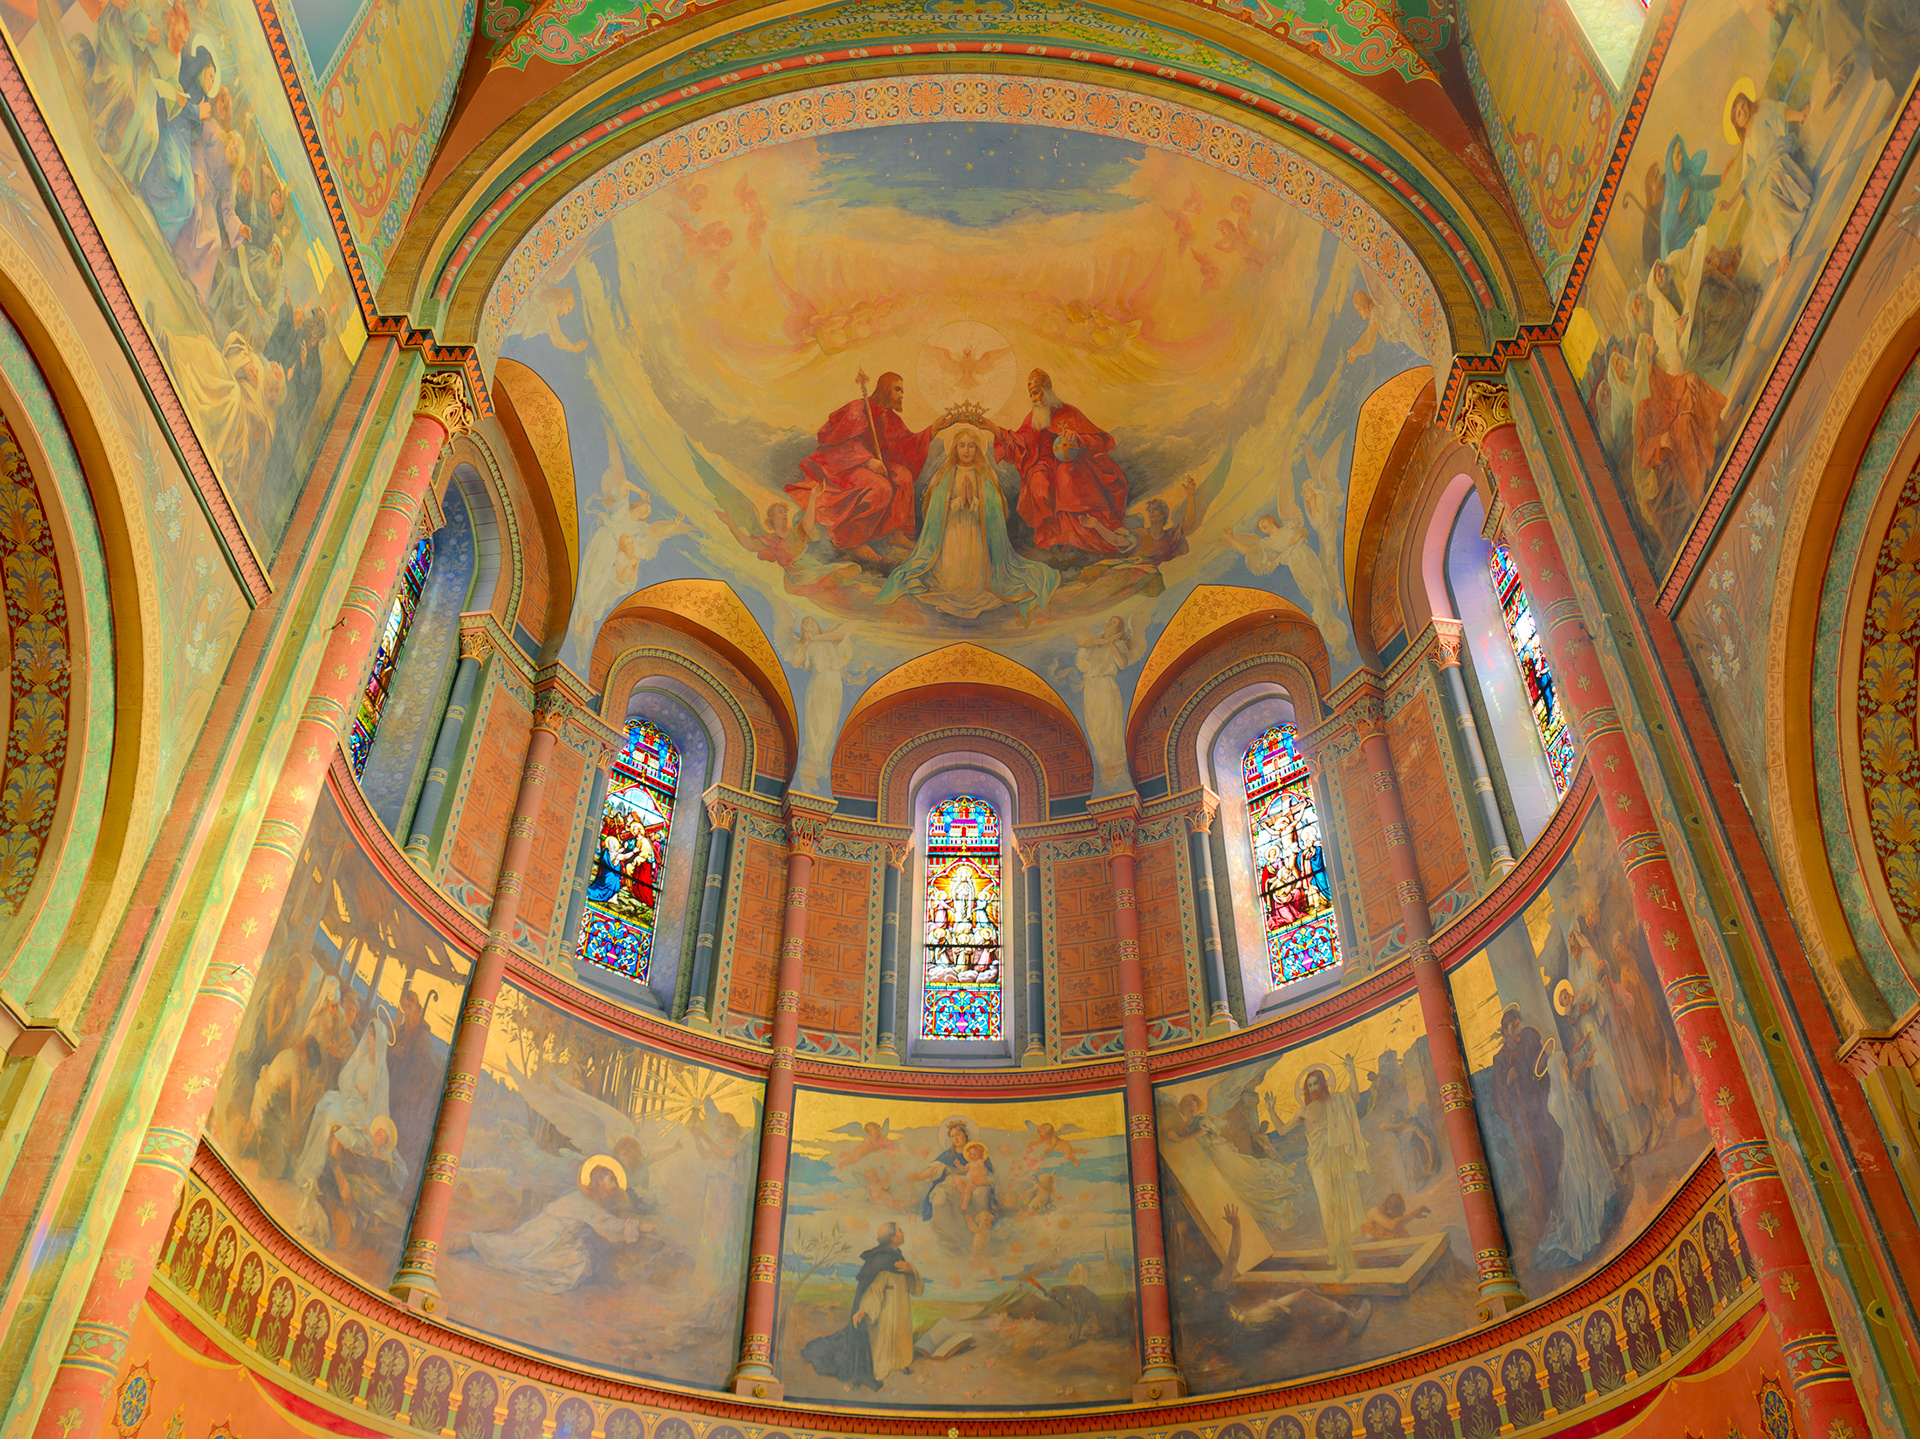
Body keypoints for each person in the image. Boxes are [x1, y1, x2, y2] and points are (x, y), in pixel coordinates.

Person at [875, 427, 1056, 620]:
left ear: (978, 448)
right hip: (952, 532)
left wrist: (974, 503)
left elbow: (994, 510)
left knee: (976, 580)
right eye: (962, 445)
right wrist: (958, 503)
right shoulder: (944, 473)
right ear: (955, 448)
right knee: (950, 578)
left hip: (977, 532)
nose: (967, 450)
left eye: (971, 445)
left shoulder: (985, 474)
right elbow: (935, 508)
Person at [787, 371, 940, 562]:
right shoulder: (859, 409)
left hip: (873, 463)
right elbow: (839, 443)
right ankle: (853, 540)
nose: (902, 395)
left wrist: (934, 430)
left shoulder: (890, 417)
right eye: (897, 389)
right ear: (885, 389)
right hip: (846, 466)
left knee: (903, 476)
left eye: (902, 390)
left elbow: (906, 443)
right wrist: (867, 460)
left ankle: (895, 532)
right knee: (881, 488)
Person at [979, 369, 1131, 555]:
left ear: (1048, 389)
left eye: (1037, 392)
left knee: (1065, 474)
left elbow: (1099, 441)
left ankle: (1083, 537)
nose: (1034, 398)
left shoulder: (1069, 412)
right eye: (1031, 394)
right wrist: (993, 428)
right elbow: (1019, 444)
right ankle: (1056, 536)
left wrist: (1078, 439)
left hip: (1072, 461)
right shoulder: (1033, 419)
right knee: (1038, 482)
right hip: (1042, 464)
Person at [449, 1157, 644, 1293]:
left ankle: (480, 1241)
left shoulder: (591, 1201)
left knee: (579, 1262)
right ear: (598, 1182)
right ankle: (472, 1240)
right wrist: (640, 1227)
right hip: (546, 1233)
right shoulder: (585, 1201)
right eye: (611, 1179)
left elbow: (605, 1222)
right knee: (514, 1250)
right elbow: (607, 1225)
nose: (615, 1183)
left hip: (559, 1239)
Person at [801, 1223, 924, 1390]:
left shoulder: (898, 1258)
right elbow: (874, 1290)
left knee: (899, 1338)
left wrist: (910, 1270)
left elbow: (916, 1289)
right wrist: (863, 1310)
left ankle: (900, 1364)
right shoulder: (882, 1260)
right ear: (893, 1237)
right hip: (884, 1313)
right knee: (884, 1345)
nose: (904, 1233)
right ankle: (883, 1369)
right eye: (900, 1230)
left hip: (900, 1310)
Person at [1492, 1006, 1563, 1232]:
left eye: (1518, 1025)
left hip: (1542, 1112)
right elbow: (1498, 1102)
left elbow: (1542, 1064)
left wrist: (1546, 1066)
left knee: (1554, 1153)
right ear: (1504, 1031)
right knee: (1535, 1169)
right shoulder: (1501, 1060)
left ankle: (1565, 1205)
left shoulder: (1530, 1038)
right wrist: (1508, 1083)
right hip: (1524, 1126)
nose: (1518, 1030)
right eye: (1513, 1027)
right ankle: (1548, 1218)